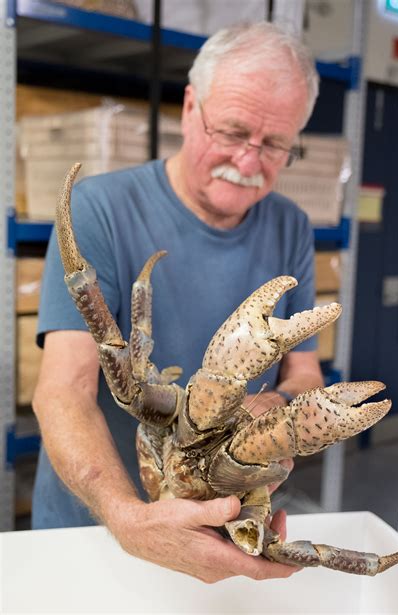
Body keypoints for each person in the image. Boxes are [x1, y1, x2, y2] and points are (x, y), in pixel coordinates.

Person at [32, 21, 324, 583]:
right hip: (94, 529)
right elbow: (61, 391)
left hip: (218, 521)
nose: (247, 160)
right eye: (234, 131)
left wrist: (279, 411)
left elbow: (304, 369)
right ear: (191, 107)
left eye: (275, 144)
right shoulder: (100, 208)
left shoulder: (291, 226)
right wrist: (126, 516)